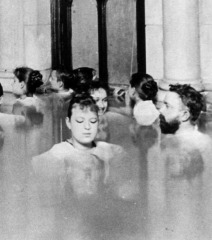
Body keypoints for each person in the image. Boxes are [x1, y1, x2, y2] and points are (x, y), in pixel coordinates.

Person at [31, 93, 135, 239]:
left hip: (102, 226)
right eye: (79, 121)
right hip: (72, 228)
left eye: (93, 121)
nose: (87, 127)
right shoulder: (58, 153)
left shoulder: (111, 151)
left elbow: (126, 193)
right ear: (68, 123)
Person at [148, 84, 212, 239]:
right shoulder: (163, 141)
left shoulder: (203, 145)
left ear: (184, 115)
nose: (160, 111)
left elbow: (205, 199)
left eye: (167, 107)